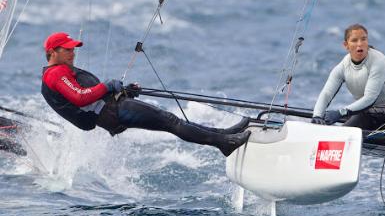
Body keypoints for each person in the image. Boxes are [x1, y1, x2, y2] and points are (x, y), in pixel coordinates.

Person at [40, 32, 250, 156]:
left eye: (73, 49)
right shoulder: (55, 74)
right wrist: (107, 86)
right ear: (53, 52)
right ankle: (224, 143)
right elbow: (81, 97)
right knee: (171, 122)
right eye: (67, 49)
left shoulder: (62, 71)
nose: (72, 52)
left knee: (172, 121)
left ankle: (224, 134)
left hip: (112, 110)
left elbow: (88, 99)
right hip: (112, 113)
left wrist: (124, 92)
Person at [311, 24, 385, 131]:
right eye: (354, 40)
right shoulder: (342, 67)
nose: (359, 44)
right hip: (367, 115)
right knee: (341, 135)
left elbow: (370, 98)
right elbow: (326, 93)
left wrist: (340, 113)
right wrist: (317, 115)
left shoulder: (378, 61)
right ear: (346, 45)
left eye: (363, 39)